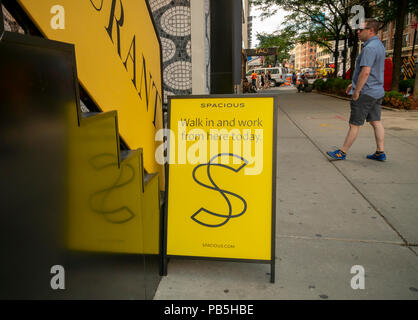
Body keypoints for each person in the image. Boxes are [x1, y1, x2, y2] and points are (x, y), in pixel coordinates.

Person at [327, 18, 386, 161]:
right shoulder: (379, 45)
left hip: (366, 92)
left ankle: (342, 152)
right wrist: (353, 84)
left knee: (354, 124)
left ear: (370, 30)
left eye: (361, 29)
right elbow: (370, 72)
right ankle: (380, 152)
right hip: (377, 91)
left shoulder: (369, 48)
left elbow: (365, 72)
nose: (358, 32)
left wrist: (357, 90)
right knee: (376, 122)